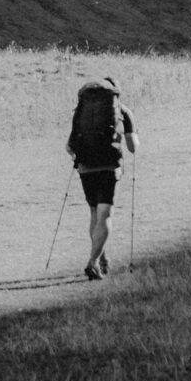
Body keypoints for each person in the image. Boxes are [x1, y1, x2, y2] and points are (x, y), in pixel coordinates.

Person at [66, 77, 137, 280]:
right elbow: (133, 147)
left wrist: (80, 157)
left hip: (86, 166)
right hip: (108, 165)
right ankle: (93, 262)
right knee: (105, 214)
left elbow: (69, 147)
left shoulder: (81, 111)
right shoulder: (123, 111)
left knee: (94, 213)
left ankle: (100, 258)